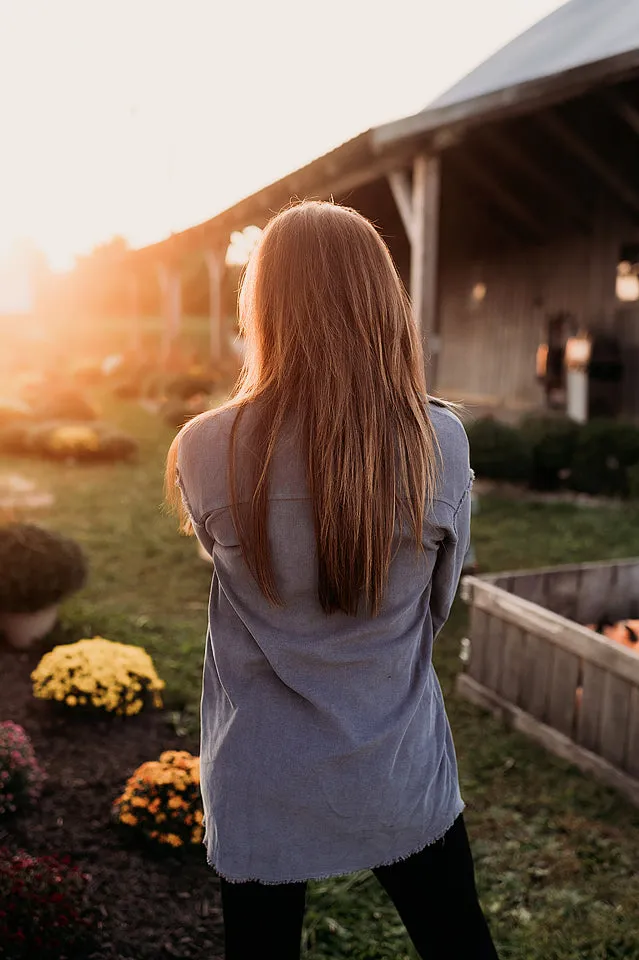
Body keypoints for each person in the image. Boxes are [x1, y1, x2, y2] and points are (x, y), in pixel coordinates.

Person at [166, 201, 498, 960]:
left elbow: (232, 566)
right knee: (456, 940)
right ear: (382, 300)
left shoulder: (203, 447)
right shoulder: (439, 442)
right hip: (395, 763)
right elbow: (438, 602)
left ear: (264, 304)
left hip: (261, 773)